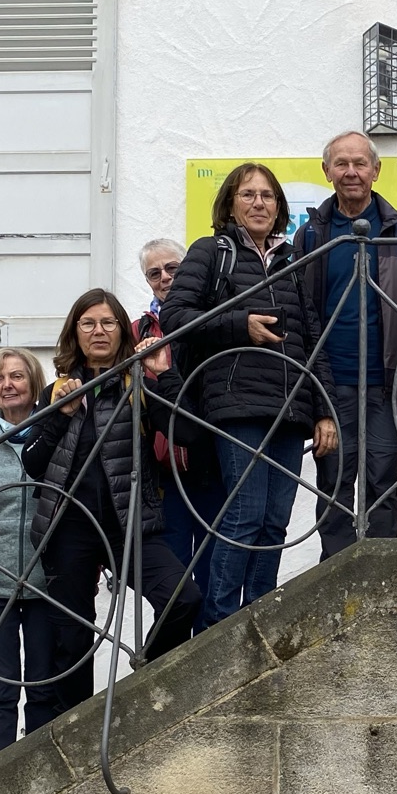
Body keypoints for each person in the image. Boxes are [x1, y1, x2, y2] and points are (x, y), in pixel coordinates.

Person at [161, 167, 337, 622]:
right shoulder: (210, 251)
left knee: (274, 522)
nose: (259, 203)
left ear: (279, 206)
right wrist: (241, 325)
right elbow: (175, 316)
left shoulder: (291, 260)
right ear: (231, 202)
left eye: (267, 196)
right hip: (236, 403)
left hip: (291, 407)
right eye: (248, 195)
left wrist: (324, 411)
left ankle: (257, 618)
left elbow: (311, 339)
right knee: (244, 516)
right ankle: (219, 623)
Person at [24, 290, 203, 712]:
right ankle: (80, 730)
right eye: (88, 323)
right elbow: (32, 464)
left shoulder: (136, 382)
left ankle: (146, 678)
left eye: (108, 323)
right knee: (73, 638)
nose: (99, 332)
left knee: (183, 599)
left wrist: (162, 375)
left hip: (129, 523)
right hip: (69, 526)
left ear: (122, 330)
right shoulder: (56, 392)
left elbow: (189, 435)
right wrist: (59, 416)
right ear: (75, 333)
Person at [292, 131, 397, 556]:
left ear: (376, 171)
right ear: (326, 171)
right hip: (329, 384)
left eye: (360, 163)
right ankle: (336, 573)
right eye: (341, 164)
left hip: (385, 383)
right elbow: (301, 315)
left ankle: (380, 573)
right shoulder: (311, 234)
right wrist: (310, 393)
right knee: (333, 481)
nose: (351, 172)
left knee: (383, 479)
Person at [0, 347, 63, 762]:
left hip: (48, 583)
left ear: (34, 382)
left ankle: (40, 780)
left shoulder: (57, 431)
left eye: (18, 376)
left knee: (44, 687)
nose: (8, 385)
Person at [134, 236, 224, 579]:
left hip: (209, 460)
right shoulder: (137, 330)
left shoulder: (206, 318)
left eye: (173, 268)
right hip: (163, 472)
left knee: (212, 564)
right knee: (174, 571)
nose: (165, 278)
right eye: (154, 274)